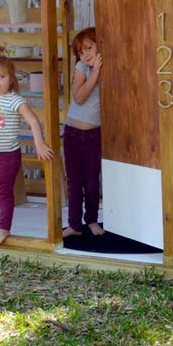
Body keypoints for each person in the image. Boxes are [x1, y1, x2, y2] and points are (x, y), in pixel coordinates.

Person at [0, 56, 54, 246]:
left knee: (4, 192)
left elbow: (33, 120)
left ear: (11, 80)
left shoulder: (15, 100)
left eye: (1, 77)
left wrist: (39, 144)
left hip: (7, 156)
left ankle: (4, 227)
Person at [62, 28, 105, 238]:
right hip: (72, 133)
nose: (85, 54)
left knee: (91, 181)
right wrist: (94, 74)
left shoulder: (108, 67)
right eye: (80, 51)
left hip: (93, 135)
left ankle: (91, 220)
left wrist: (100, 72)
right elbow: (78, 97)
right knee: (74, 181)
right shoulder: (82, 68)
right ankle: (74, 224)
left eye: (89, 48)